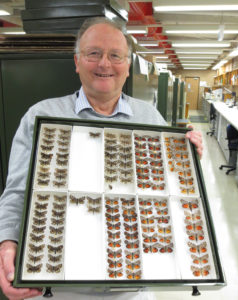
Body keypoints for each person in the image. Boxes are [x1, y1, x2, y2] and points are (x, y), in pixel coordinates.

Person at [0, 17, 203, 300]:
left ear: (127, 65)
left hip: (132, 285)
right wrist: (7, 245)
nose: (104, 64)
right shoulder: (41, 116)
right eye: (93, 53)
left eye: (115, 55)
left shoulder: (150, 118)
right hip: (57, 286)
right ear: (77, 61)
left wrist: (186, 163)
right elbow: (17, 192)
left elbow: (166, 196)